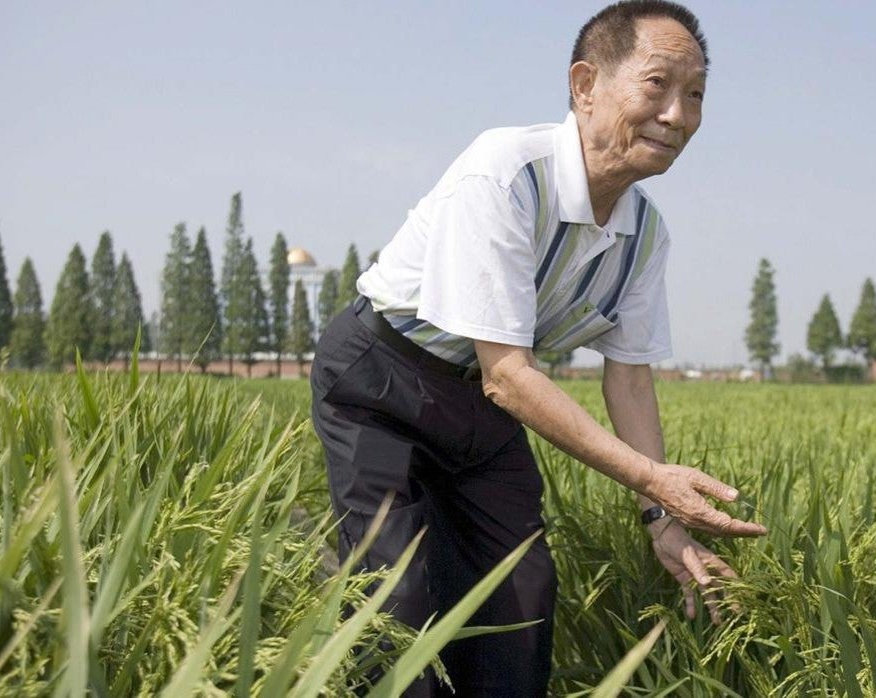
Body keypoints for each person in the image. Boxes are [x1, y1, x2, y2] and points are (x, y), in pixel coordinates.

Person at [310, 2, 766, 695]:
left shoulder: (645, 235)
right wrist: (650, 479)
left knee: (520, 597)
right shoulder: (506, 174)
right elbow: (510, 378)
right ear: (585, 86)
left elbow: (630, 380)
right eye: (657, 86)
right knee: (394, 607)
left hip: (476, 404)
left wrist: (664, 521)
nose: (677, 115)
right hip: (382, 382)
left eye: (695, 95)